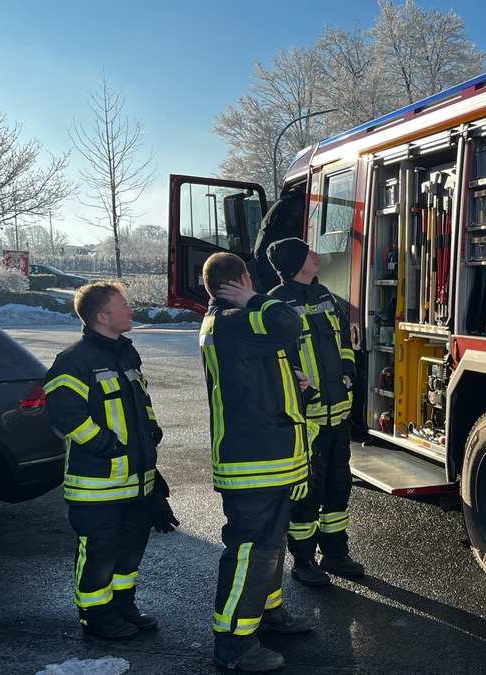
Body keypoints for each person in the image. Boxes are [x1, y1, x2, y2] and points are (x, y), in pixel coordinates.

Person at [199, 252, 314, 672]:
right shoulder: (236, 319)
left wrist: (297, 385)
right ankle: (233, 644)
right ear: (242, 280)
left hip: (267, 459)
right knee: (250, 552)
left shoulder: (232, 326)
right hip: (255, 463)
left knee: (269, 548)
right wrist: (254, 299)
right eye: (250, 283)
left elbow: (260, 374)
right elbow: (289, 322)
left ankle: (267, 614)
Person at [44, 281, 178, 641]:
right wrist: (108, 447)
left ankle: (123, 606)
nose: (130, 311)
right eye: (123, 306)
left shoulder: (125, 354)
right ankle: (96, 617)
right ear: (102, 317)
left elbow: (141, 402)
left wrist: (151, 430)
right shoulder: (73, 361)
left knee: (129, 553)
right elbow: (63, 416)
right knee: (99, 556)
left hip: (136, 483)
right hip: (97, 488)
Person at [265, 238, 365, 586]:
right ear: (294, 263)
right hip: (306, 423)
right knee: (307, 494)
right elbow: (271, 359)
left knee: (339, 487)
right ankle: (304, 561)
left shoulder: (326, 297)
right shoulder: (275, 304)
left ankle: (336, 554)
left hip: (337, 416)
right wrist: (291, 379)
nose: (315, 254)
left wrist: (350, 372)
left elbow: (344, 344)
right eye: (307, 252)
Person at [249, 185, 306, 294]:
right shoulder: (295, 204)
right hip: (274, 261)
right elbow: (300, 235)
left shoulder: (284, 202)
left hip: (268, 259)